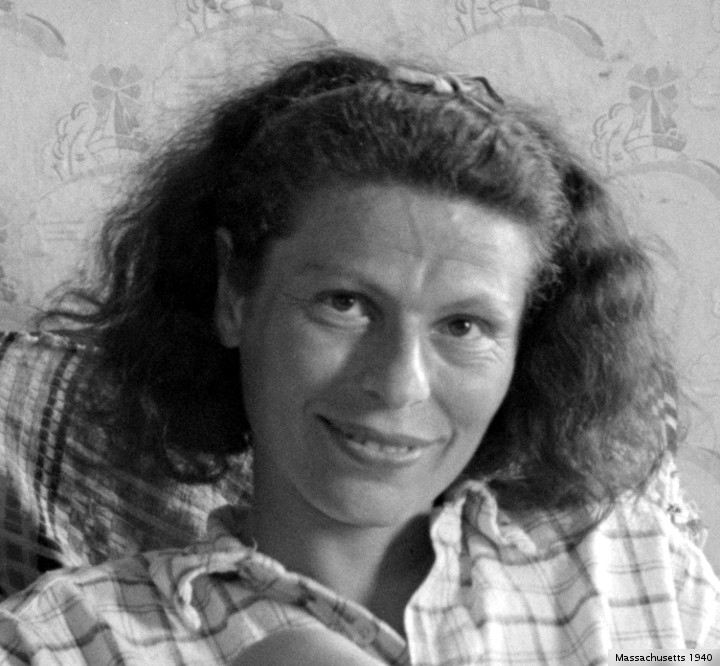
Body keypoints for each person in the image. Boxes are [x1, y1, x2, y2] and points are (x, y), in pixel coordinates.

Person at [0, 49, 717, 665]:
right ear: (233, 295)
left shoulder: (637, 568)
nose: (399, 384)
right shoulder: (62, 639)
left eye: (464, 326)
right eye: (344, 304)